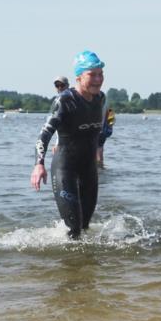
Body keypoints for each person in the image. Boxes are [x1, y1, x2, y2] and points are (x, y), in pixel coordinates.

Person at [31, 51, 106, 238]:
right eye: (92, 75)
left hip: (89, 170)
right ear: (79, 77)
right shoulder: (65, 100)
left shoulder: (100, 99)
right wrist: (39, 164)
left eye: (101, 74)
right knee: (74, 231)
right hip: (65, 169)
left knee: (85, 227)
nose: (98, 79)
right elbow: (44, 134)